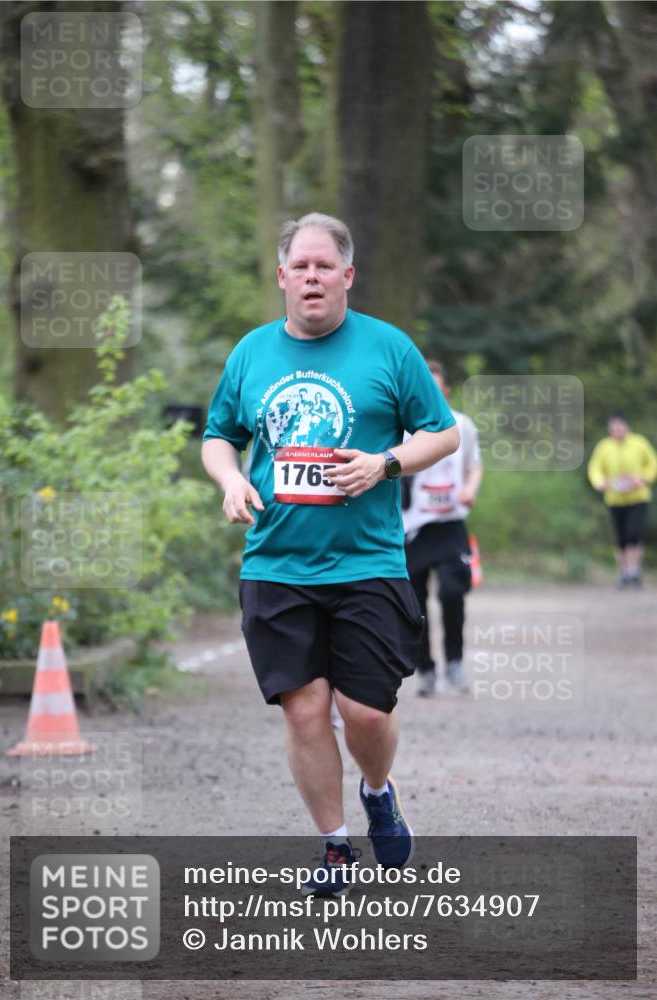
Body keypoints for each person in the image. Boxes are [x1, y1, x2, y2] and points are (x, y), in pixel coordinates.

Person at [201, 213, 459, 895]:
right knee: (305, 708)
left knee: (366, 710)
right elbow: (217, 435)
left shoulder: (387, 348)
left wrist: (384, 463)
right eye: (300, 266)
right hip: (275, 564)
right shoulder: (252, 353)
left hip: (367, 562)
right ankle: (334, 846)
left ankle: (377, 791)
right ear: (282, 277)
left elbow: (443, 433)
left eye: (325, 266)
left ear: (346, 276)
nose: (311, 276)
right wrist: (230, 479)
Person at [402, 360, 483, 696]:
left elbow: (475, 467)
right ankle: (427, 670)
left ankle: (454, 662)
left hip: (451, 524)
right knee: (415, 604)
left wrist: (469, 490)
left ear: (446, 391)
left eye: (438, 388)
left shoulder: (462, 425)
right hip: (414, 526)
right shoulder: (404, 428)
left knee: (452, 592)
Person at [587, 412, 657, 588]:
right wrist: (599, 482)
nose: (617, 430)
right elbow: (595, 467)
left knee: (633, 533)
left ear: (627, 426)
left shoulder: (639, 443)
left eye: (620, 426)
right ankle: (624, 573)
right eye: (613, 427)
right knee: (621, 537)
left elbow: (652, 464)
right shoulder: (604, 447)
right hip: (615, 499)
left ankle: (634, 571)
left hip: (638, 497)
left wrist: (642, 478)